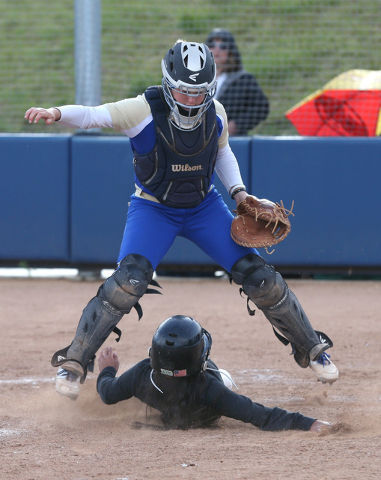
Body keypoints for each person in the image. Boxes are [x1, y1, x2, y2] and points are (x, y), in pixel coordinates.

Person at [24, 39, 338, 401]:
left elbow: (222, 152)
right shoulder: (142, 110)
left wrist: (239, 193)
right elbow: (94, 115)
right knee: (128, 281)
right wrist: (57, 112)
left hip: (203, 207)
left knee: (261, 277)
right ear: (168, 83)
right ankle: (75, 361)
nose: (191, 99)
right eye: (184, 91)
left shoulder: (215, 112)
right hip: (154, 208)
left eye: (199, 92)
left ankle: (312, 348)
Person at [96, 315, 332, 432]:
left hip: (173, 398)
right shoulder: (211, 389)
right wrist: (309, 423)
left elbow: (107, 393)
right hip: (206, 406)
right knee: (224, 378)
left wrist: (108, 369)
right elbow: (262, 416)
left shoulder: (141, 375)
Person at [205, 28, 269, 135]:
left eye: (223, 46)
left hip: (228, 142)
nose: (217, 50)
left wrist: (237, 125)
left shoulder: (242, 80)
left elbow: (261, 107)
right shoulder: (195, 79)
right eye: (212, 45)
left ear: (231, 51)